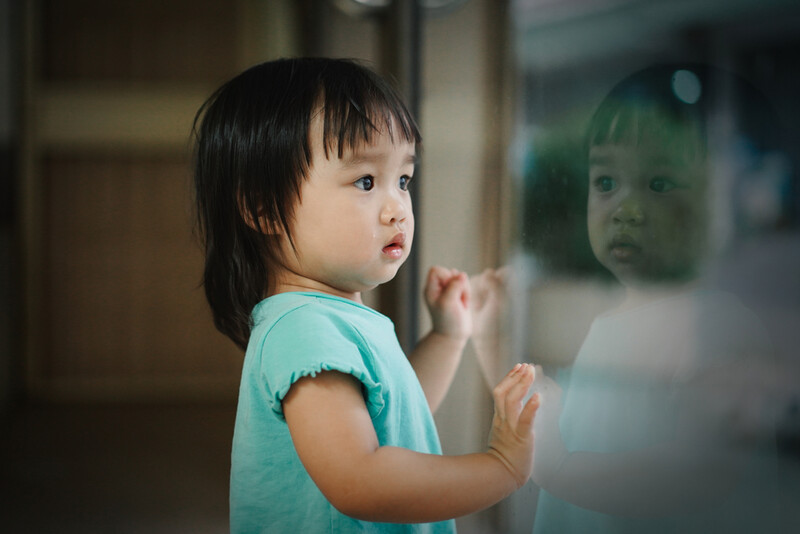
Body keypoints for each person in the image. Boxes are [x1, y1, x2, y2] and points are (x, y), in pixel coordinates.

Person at [191, 57, 540, 533]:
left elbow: (392, 415)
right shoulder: (304, 329)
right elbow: (361, 480)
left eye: (403, 180)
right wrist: (499, 466)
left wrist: (446, 336)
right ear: (262, 206)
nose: (397, 207)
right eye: (365, 181)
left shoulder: (328, 318)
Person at [473, 63, 787, 532]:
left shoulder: (717, 323)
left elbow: (696, 474)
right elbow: (562, 422)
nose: (625, 207)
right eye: (605, 183)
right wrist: (488, 336)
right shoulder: (606, 320)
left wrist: (560, 469)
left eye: (658, 183)